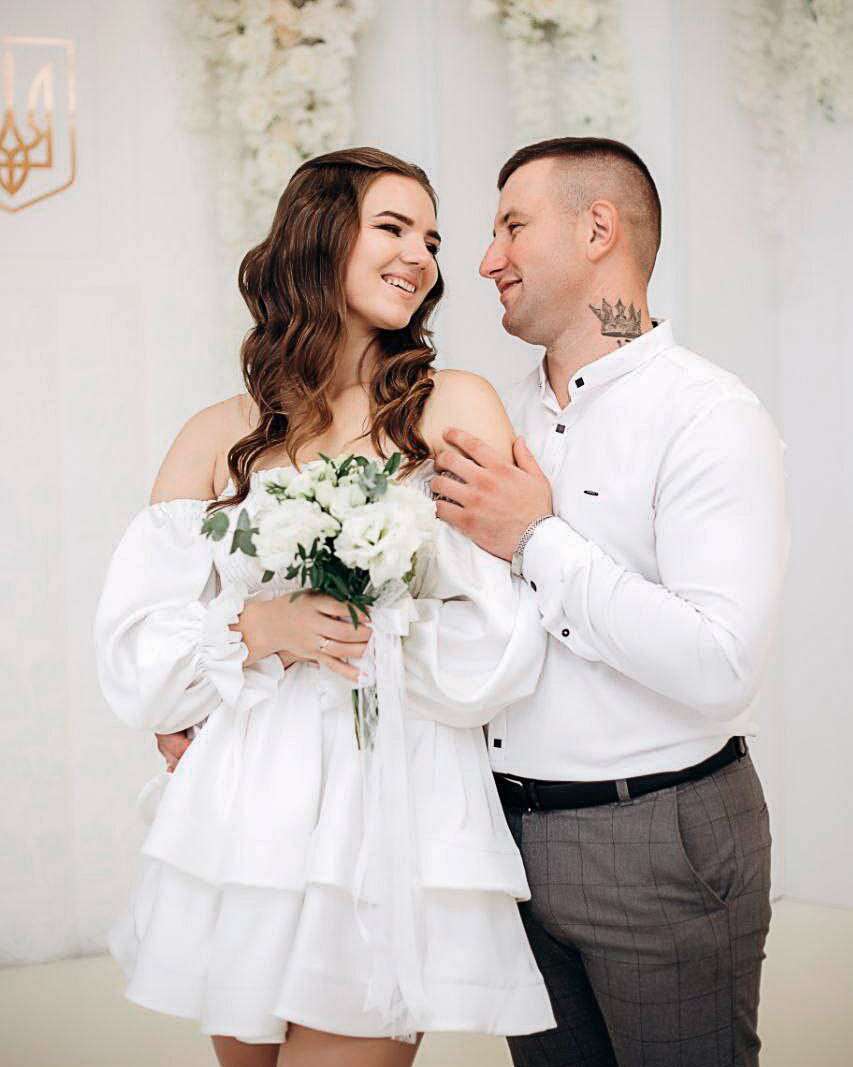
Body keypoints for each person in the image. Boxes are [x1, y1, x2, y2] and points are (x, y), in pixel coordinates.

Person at [93, 147, 557, 1067]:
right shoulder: (217, 434)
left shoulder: (450, 407)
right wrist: (260, 629)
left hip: (386, 804)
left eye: (431, 239)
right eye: (393, 228)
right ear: (319, 238)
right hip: (246, 813)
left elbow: (502, 637)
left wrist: (364, 628)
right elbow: (137, 653)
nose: (421, 256)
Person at [428, 137, 790, 1066]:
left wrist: (535, 537)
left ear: (598, 230)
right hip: (508, 842)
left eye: (511, 226)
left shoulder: (708, 417)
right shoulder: (489, 419)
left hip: (659, 840)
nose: (485, 259)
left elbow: (719, 663)